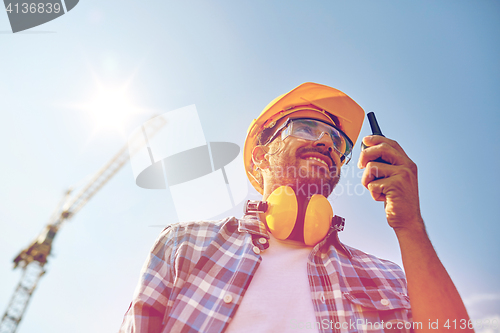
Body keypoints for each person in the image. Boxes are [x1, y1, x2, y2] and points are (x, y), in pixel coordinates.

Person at [119, 83, 473, 333]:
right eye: (305, 127)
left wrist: (410, 226)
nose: (326, 143)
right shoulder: (184, 246)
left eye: (338, 142)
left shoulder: (388, 279)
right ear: (260, 156)